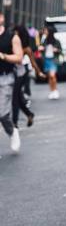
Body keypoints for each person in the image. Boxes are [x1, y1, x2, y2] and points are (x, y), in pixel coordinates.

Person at [12, 24, 44, 128]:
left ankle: (15, 123)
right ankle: (29, 114)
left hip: (21, 74)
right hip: (12, 73)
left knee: (15, 98)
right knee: (19, 98)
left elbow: (33, 62)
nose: (14, 34)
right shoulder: (12, 43)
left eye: (16, 32)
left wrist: (39, 72)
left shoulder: (26, 48)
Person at [0, 13, 23, 152]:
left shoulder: (12, 37)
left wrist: (3, 56)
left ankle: (12, 131)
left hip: (5, 78)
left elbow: (19, 57)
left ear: (1, 18)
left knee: (2, 114)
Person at [39, 26, 63, 99]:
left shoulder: (56, 41)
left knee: (53, 75)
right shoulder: (44, 41)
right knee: (49, 76)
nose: (45, 32)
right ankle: (51, 91)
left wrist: (56, 50)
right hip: (46, 60)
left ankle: (55, 90)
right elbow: (40, 48)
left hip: (53, 59)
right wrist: (41, 49)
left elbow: (61, 50)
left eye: (46, 31)